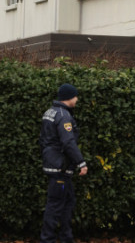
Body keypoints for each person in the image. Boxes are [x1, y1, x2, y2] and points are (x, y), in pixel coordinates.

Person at [40, 83, 88, 243]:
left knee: (68, 202)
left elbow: (45, 140)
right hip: (59, 169)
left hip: (55, 165)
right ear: (69, 97)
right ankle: (48, 240)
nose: (77, 99)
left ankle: (67, 238)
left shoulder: (50, 112)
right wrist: (81, 162)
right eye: (76, 96)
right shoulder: (63, 115)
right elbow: (68, 142)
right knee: (55, 206)